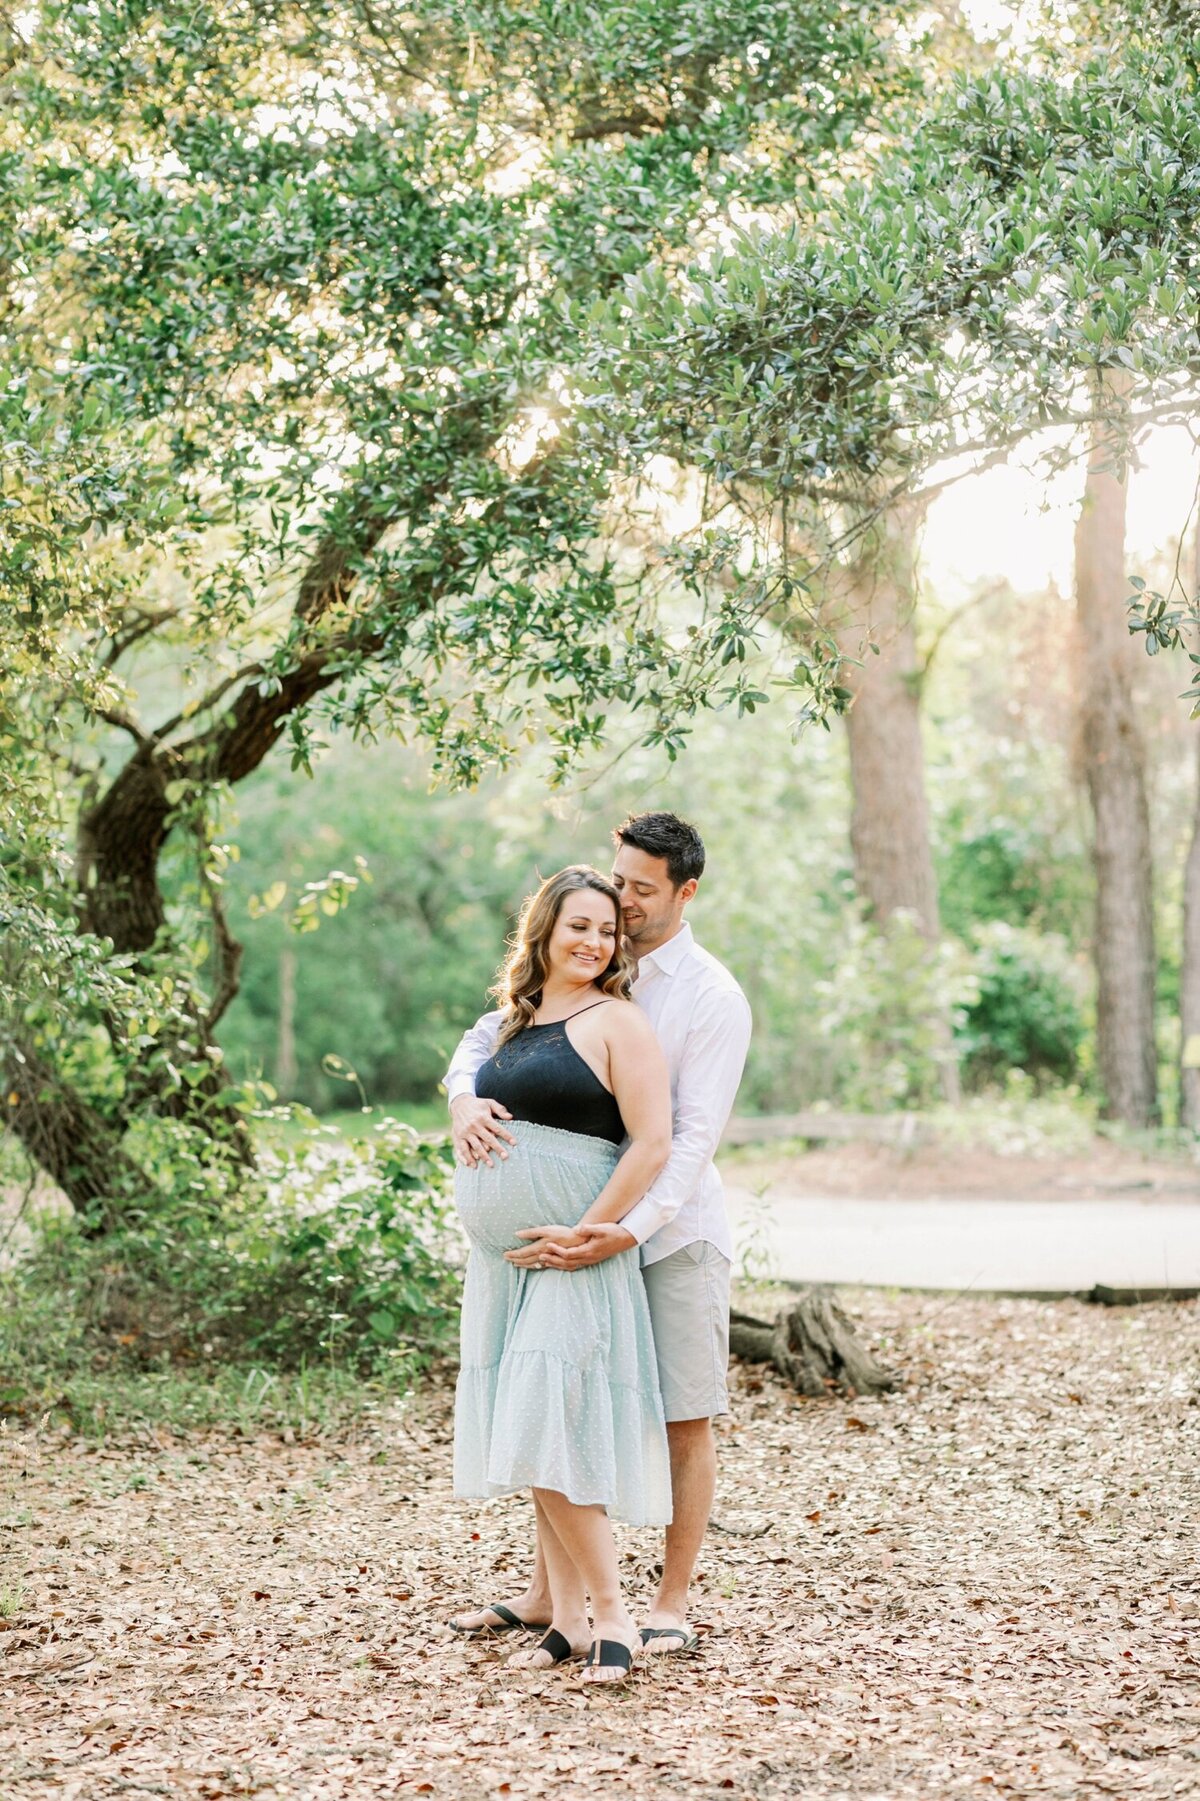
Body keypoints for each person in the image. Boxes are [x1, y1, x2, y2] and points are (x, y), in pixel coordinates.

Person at [447, 812, 751, 1661]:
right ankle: (556, 1598)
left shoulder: (708, 996)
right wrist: (462, 1100)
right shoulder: (583, 968)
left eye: (638, 892)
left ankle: (670, 1600)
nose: (620, 903)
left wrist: (619, 1228)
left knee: (681, 1414)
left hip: (670, 1230)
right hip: (569, 1240)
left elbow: (684, 1140)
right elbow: (479, 1045)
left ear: (685, 893)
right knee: (555, 1400)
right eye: (617, 883)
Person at [450, 865, 673, 1686]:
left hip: (574, 1253)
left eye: (608, 930)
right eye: (580, 924)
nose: (595, 941)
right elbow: (460, 1084)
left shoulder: (618, 1021)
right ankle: (569, 1617)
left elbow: (651, 1141)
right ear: (543, 929)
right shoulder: (508, 1022)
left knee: (547, 1416)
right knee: (534, 1426)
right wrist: (461, 1106)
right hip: (507, 1266)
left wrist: (589, 1231)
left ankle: (615, 1616)